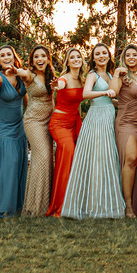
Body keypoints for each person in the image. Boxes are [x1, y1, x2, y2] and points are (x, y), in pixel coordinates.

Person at [62, 43, 127, 219]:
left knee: (107, 157)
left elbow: (111, 99)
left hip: (108, 115)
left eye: (104, 53)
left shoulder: (109, 74)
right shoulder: (92, 74)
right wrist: (106, 92)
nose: (101, 56)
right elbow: (86, 94)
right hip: (96, 117)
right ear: (93, 58)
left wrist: (120, 103)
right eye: (97, 54)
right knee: (96, 157)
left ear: (109, 56)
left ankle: (106, 204)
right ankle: (91, 205)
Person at [0, 45, 29, 218]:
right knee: (6, 165)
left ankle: (16, 205)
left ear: (14, 56)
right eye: (2, 55)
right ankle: (1, 206)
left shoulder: (21, 75)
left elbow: (26, 101)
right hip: (2, 127)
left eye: (9, 54)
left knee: (17, 164)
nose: (6, 57)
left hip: (19, 126)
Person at [47, 48, 87, 216]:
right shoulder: (65, 78)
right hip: (59, 123)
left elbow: (80, 102)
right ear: (68, 62)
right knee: (67, 151)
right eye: (72, 57)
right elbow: (59, 84)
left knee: (77, 158)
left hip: (74, 122)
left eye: (78, 56)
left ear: (82, 61)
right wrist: (56, 85)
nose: (76, 59)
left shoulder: (83, 80)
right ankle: (60, 205)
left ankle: (74, 202)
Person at [113, 44, 137, 218]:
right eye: (128, 55)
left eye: (135, 55)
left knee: (136, 164)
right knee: (130, 159)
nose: (132, 57)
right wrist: (115, 75)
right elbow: (113, 92)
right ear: (124, 58)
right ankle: (126, 205)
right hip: (126, 122)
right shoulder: (122, 75)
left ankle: (133, 205)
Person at [22, 46, 55, 218]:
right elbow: (22, 74)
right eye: (36, 56)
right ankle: (35, 207)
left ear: (48, 59)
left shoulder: (51, 76)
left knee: (47, 159)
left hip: (50, 122)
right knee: (41, 157)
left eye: (43, 56)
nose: (40, 59)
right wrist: (15, 70)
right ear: (32, 60)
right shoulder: (30, 75)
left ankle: (46, 204)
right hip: (34, 121)